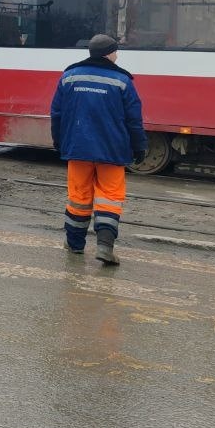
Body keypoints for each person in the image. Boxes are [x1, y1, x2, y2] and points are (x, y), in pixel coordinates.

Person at [49, 34, 146, 265]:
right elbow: (134, 120)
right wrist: (139, 146)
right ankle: (104, 247)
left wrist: (59, 141)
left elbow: (57, 114)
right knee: (110, 198)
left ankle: (74, 245)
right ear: (109, 54)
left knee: (78, 197)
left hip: (77, 147)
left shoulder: (69, 77)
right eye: (115, 51)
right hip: (112, 151)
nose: (117, 55)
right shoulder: (122, 81)